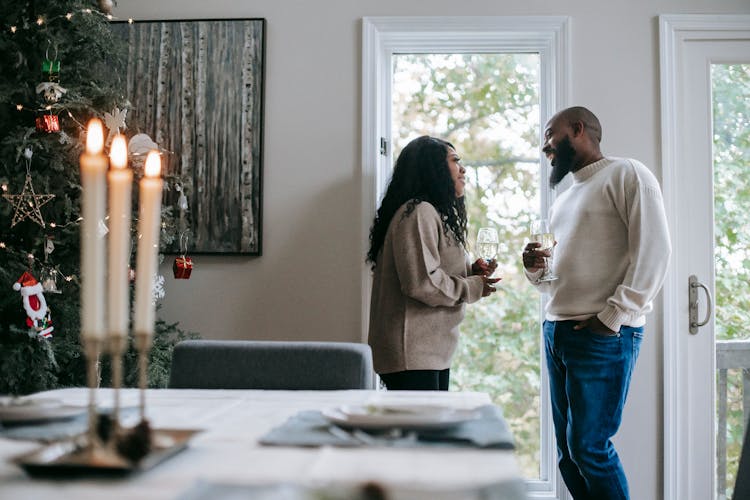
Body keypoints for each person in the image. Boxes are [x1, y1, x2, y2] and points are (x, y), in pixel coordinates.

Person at [522, 106, 671, 500]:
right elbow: (554, 278)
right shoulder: (564, 199)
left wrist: (614, 317)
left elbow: (654, 251)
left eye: (549, 135)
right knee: (568, 456)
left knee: (589, 449)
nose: (544, 147)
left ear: (578, 129)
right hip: (558, 331)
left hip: (601, 334)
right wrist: (535, 269)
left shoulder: (628, 174)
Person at [366, 135, 499, 391]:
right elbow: (422, 283)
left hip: (426, 352)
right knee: (422, 431)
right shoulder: (419, 212)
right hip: (412, 353)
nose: (463, 169)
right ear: (433, 168)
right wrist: (473, 286)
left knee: (425, 430)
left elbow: (431, 270)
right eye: (455, 161)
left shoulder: (430, 213)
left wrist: (472, 272)